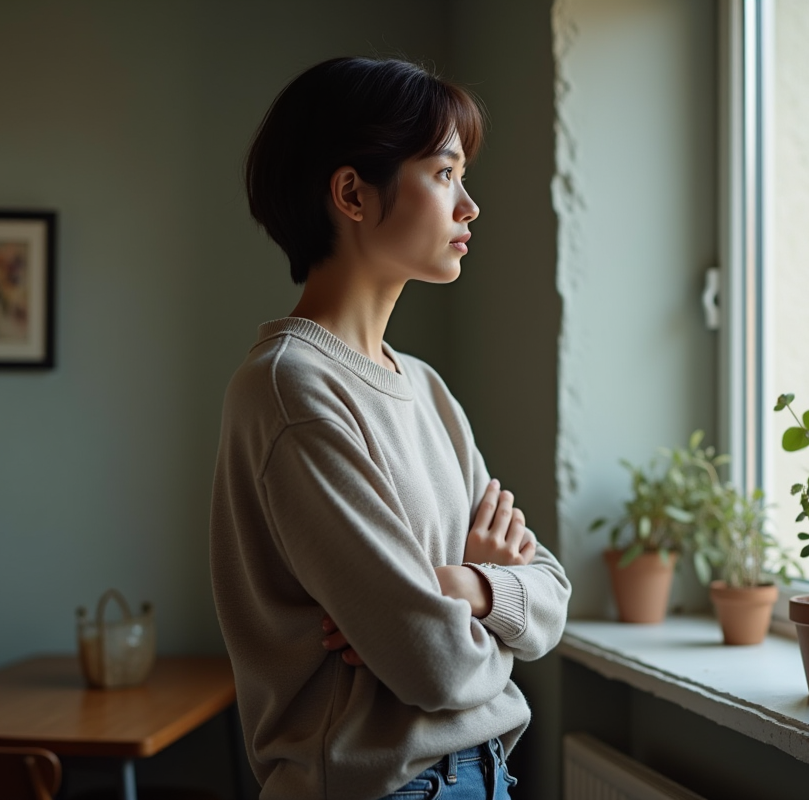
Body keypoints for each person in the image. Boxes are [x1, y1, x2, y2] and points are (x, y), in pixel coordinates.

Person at [209, 56, 571, 800]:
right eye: (444, 174)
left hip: (486, 775)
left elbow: (554, 597)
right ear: (351, 193)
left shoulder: (427, 390)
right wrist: (499, 605)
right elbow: (435, 666)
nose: (469, 206)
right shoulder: (292, 390)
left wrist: (465, 585)